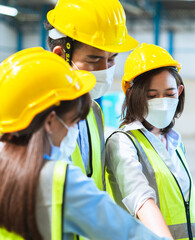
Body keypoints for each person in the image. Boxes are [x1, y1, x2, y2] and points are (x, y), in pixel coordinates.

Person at [0, 47, 168, 240]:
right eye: (72, 122)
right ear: (49, 122)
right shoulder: (60, 182)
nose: (72, 131)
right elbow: (130, 235)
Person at [105, 43, 195, 240]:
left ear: (179, 91)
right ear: (132, 94)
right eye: (151, 95)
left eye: (169, 94)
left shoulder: (175, 142)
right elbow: (139, 197)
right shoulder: (123, 142)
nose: (162, 101)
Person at [44, 0, 139, 190]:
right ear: (60, 55)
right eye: (94, 59)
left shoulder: (94, 111)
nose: (105, 70)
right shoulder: (40, 114)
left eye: (111, 60)